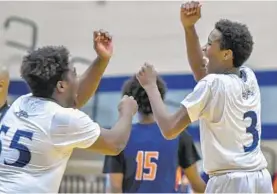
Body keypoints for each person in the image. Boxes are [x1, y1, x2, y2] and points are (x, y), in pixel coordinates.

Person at [135, 1, 273, 193]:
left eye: (209, 43)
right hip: (260, 178)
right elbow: (202, 71)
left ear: (226, 54)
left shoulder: (213, 85)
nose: (203, 48)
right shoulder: (248, 77)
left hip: (230, 182)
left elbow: (169, 129)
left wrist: (151, 86)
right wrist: (189, 27)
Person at [0, 30, 138, 193]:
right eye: (74, 74)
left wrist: (102, 59)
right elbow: (115, 144)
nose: (77, 79)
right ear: (61, 86)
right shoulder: (60, 118)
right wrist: (127, 112)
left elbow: (75, 97)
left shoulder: (22, 103)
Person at [102, 75, 206, 193]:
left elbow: (115, 187)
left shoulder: (119, 136)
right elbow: (197, 185)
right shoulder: (179, 135)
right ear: (159, 96)